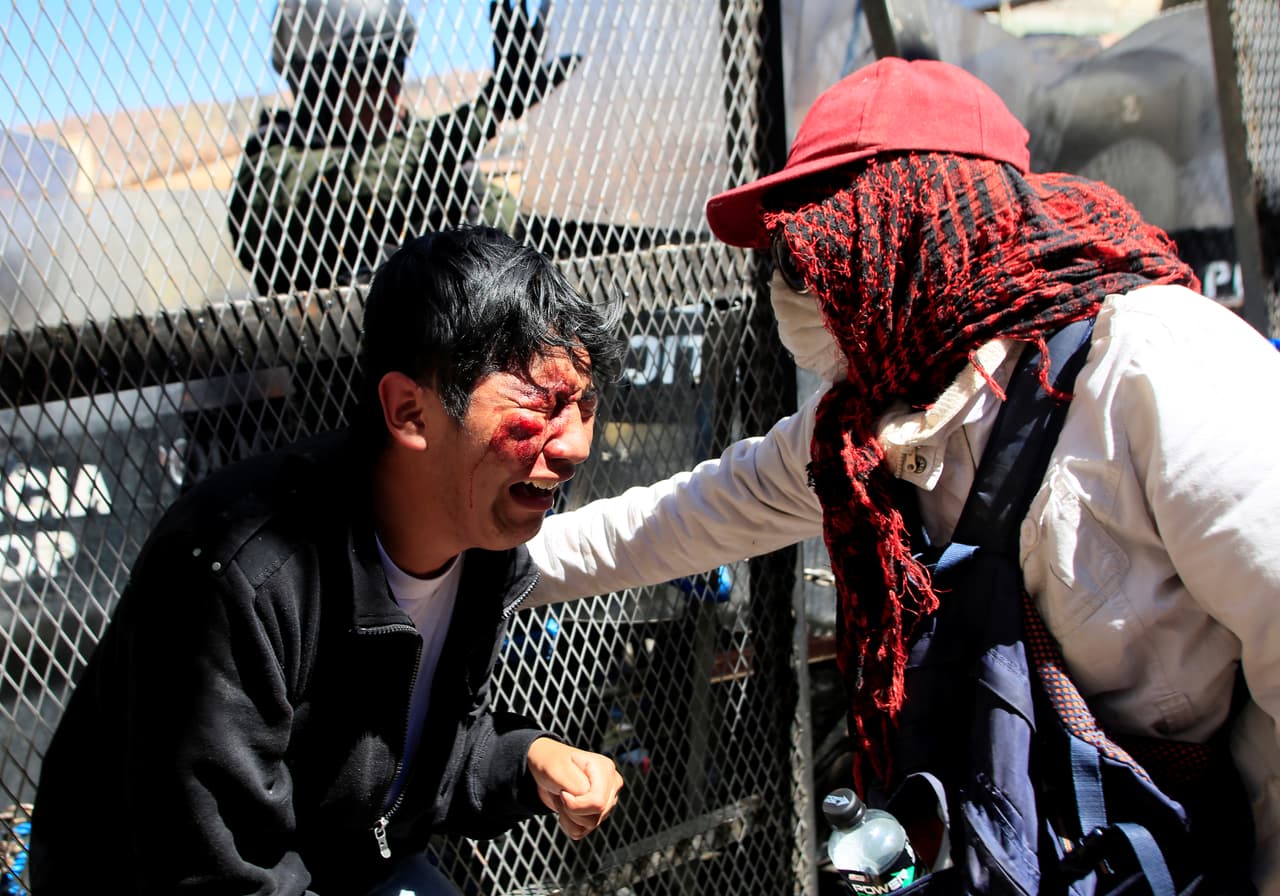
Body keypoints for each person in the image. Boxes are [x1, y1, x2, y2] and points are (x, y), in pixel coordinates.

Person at [525, 57, 1280, 892]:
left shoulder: (1152, 366)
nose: (790, 287)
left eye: (814, 251)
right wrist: (476, 557)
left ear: (914, 226)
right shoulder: (861, 429)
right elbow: (683, 517)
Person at [29, 226, 626, 895]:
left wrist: (529, 760)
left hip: (342, 865)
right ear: (410, 412)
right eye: (540, 406)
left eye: (584, 403)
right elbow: (213, 872)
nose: (574, 444)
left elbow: (409, 768)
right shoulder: (245, 577)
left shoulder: (486, 549)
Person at [228, 0, 577, 297]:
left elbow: (494, 211)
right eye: (369, 71)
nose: (390, 86)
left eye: (395, 65)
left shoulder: (423, 154)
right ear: (320, 86)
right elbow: (367, 177)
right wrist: (490, 110)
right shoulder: (276, 165)